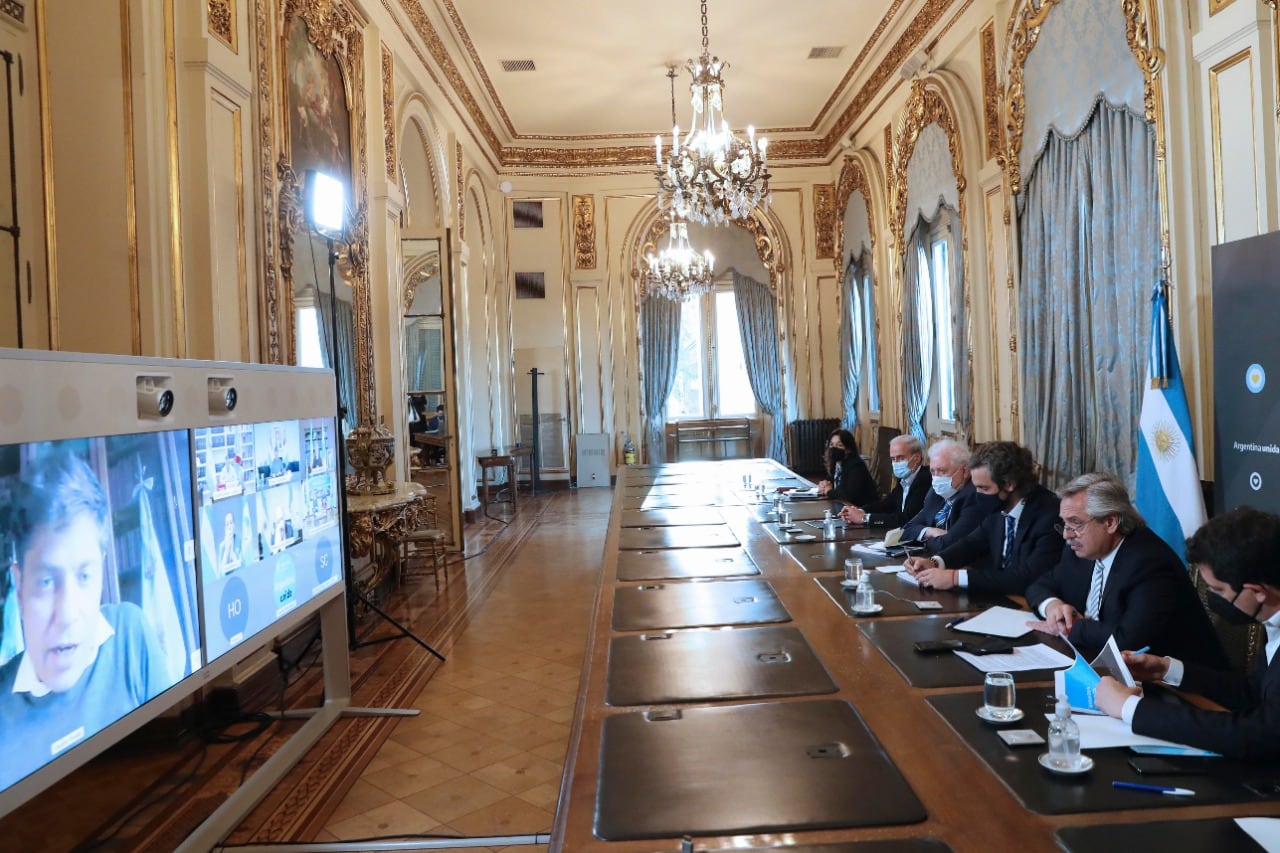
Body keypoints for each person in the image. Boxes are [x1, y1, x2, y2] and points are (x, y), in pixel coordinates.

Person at [0, 452, 167, 790]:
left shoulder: (130, 637)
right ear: (19, 587)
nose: (67, 615)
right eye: (47, 582)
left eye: (85, 576)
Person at [1095, 507, 1280, 761]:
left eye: (1217, 590)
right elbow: (1253, 691)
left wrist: (1130, 708)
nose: (1213, 599)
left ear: (1257, 592)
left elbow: (1261, 734)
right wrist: (1166, 670)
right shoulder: (1271, 617)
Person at [1025, 472, 1227, 667]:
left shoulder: (1150, 563)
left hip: (1179, 687)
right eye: (1064, 524)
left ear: (1110, 522)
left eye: (1075, 524)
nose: (1066, 535)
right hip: (1102, 662)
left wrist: (1070, 625)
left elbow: (1129, 641)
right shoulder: (1081, 548)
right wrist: (1053, 607)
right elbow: (1040, 585)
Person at [904, 441, 1060, 595]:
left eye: (984, 488)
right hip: (996, 596)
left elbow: (1027, 577)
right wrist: (935, 562)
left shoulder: (1049, 514)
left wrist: (954, 577)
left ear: (1009, 484)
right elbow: (971, 544)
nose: (978, 495)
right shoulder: (999, 505)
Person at [899, 439, 991, 554]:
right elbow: (905, 530)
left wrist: (922, 539)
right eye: (933, 472)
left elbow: (948, 545)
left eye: (942, 471)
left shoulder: (974, 496)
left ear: (965, 471)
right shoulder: (935, 494)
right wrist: (930, 531)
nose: (936, 478)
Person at [839, 434, 929, 528]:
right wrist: (859, 511)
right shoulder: (906, 478)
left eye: (901, 458)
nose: (896, 463)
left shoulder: (925, 480)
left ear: (917, 458)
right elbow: (888, 503)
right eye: (893, 459)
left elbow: (906, 519)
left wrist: (864, 518)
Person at [814, 429, 877, 506]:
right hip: (845, 507)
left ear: (849, 449)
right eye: (831, 445)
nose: (834, 448)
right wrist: (824, 485)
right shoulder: (836, 464)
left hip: (862, 509)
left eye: (839, 445)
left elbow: (849, 495)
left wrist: (829, 491)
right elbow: (833, 484)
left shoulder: (856, 466)